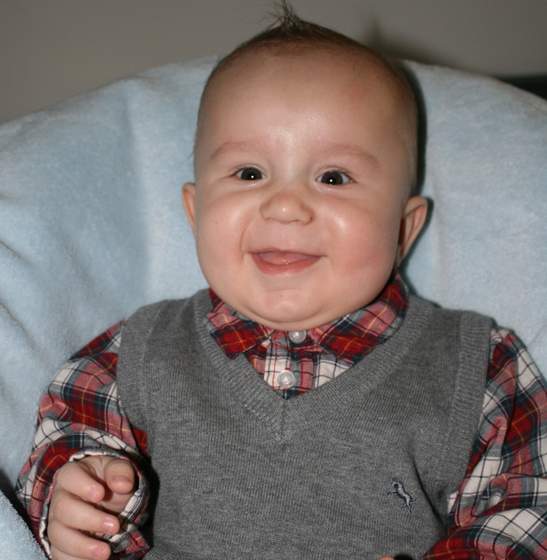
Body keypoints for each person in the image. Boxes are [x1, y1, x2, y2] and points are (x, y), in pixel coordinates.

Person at [16, 5, 546, 560]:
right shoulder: (142, 353)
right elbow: (70, 433)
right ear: (196, 214)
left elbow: (525, 512)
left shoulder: (475, 365)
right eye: (249, 173)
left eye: (333, 177)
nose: (286, 205)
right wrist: (84, 495)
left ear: (403, 229)